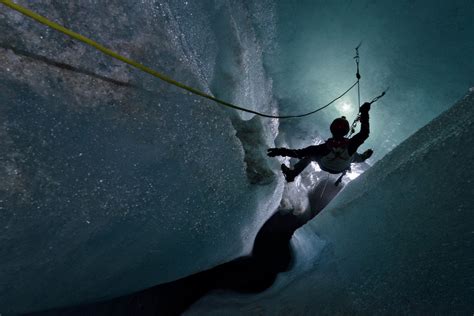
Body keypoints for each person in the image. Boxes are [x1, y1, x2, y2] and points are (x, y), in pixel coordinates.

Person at [267, 102, 373, 182]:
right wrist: (364, 113)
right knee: (353, 157)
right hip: (340, 168)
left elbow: (299, 153)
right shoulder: (351, 145)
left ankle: (292, 174)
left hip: (325, 165)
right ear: (346, 131)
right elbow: (364, 133)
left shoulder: (323, 148)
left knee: (310, 156)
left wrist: (279, 151)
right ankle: (364, 156)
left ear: (331, 129)